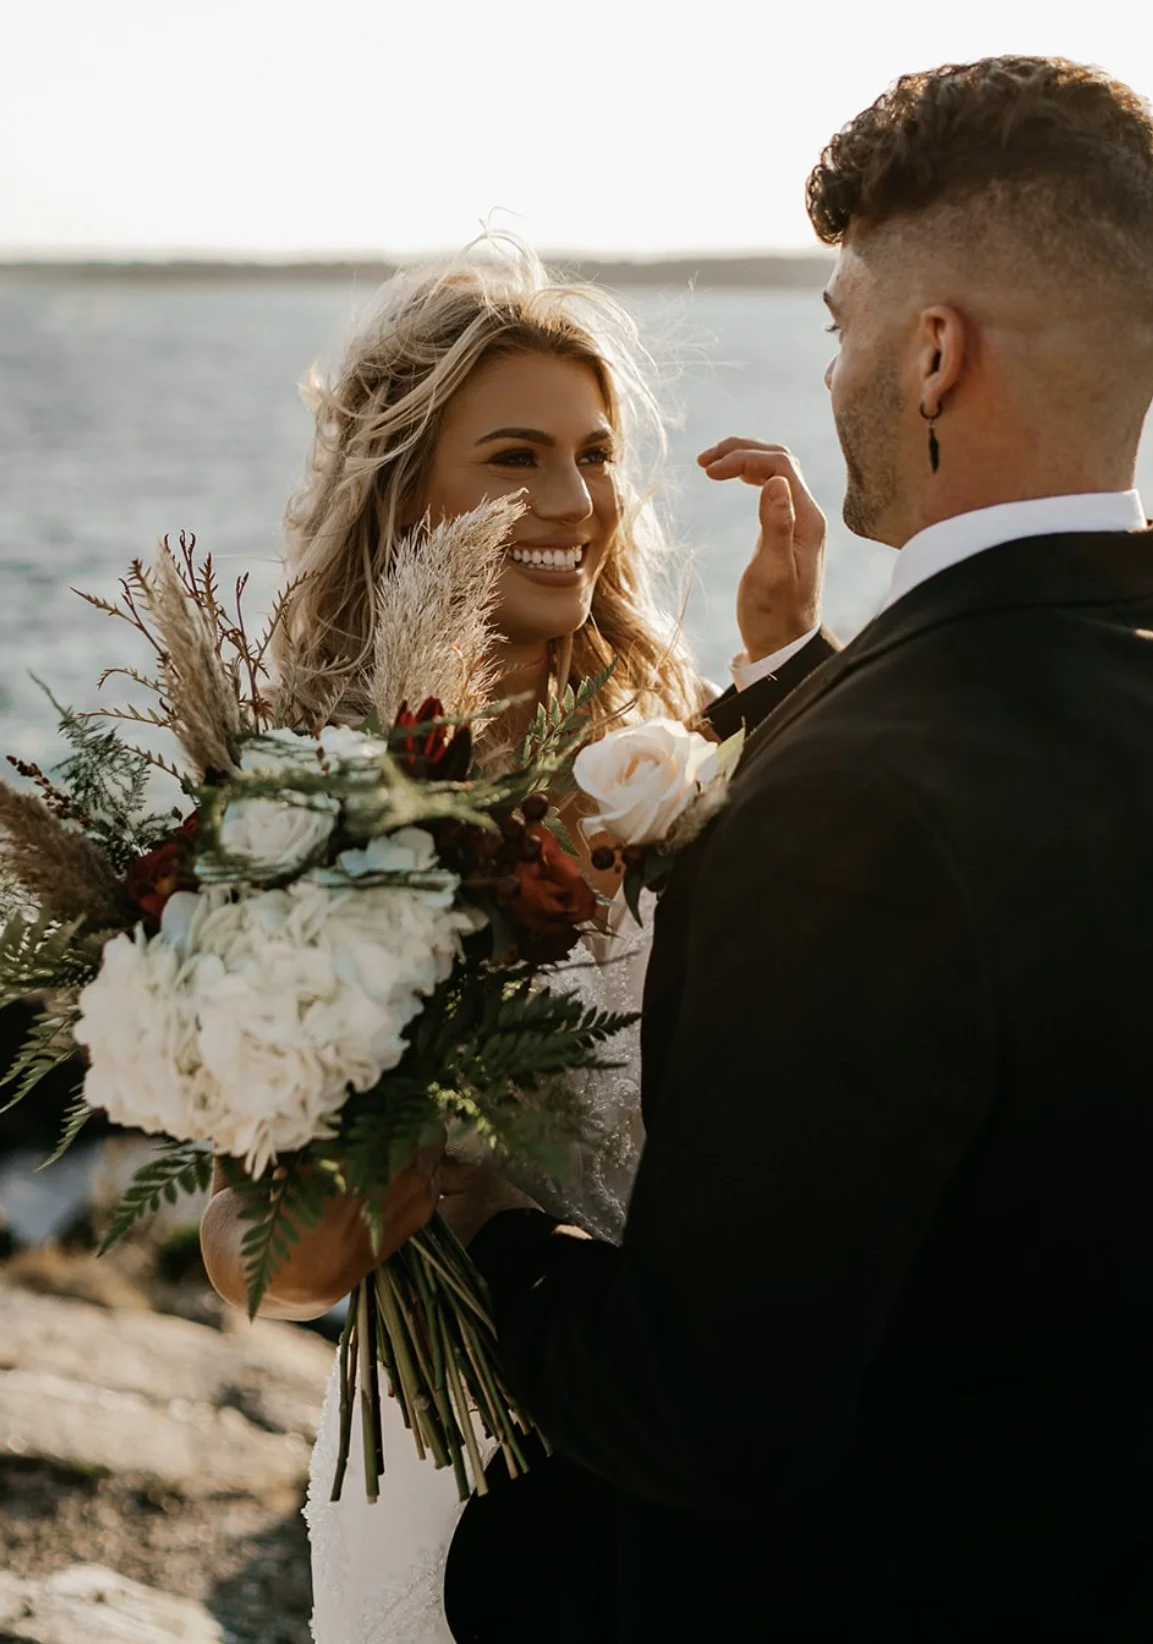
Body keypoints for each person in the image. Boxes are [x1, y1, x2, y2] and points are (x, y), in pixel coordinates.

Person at [435, 59, 1153, 1641]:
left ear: (934, 354)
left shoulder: (866, 793)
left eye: (840, 322)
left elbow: (706, 1414)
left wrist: (481, 1206)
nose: (831, 371)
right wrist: (782, 677)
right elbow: (1007, 848)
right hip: (1109, 1559)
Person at [197, 239, 828, 1644]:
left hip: (684, 1449)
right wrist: (366, 1198)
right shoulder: (326, 798)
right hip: (447, 1465)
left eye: (596, 452)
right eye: (513, 456)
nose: (572, 500)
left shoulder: (671, 752)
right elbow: (245, 1249)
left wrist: (782, 672)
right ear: (405, 489)